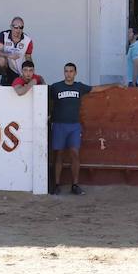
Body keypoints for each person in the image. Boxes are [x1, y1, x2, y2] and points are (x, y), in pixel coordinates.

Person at [47, 62, 117, 195]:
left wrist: (114, 84)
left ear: (75, 72)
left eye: (71, 71)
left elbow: (96, 89)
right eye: (66, 71)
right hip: (58, 124)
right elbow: (43, 96)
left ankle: (75, 185)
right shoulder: (56, 87)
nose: (68, 74)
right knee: (59, 155)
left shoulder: (79, 86)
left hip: (74, 125)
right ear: (64, 73)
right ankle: (56, 184)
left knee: (75, 154)